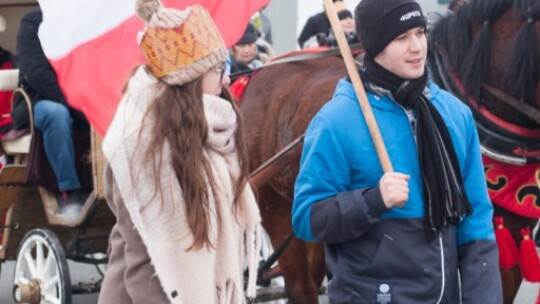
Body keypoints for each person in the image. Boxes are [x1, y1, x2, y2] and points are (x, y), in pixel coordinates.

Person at [292, 0, 502, 303]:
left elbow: (476, 222)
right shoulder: (336, 121)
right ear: (376, 45)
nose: (417, 46)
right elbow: (307, 218)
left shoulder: (455, 114)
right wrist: (372, 201)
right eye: (401, 38)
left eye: (420, 32)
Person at [98, 1, 262, 303]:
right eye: (216, 69)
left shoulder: (207, 130)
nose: (227, 79)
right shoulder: (141, 146)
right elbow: (144, 264)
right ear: (189, 79)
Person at [13, 7, 88, 210]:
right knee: (57, 114)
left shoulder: (81, 22)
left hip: (78, 99)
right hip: (38, 100)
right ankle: (69, 191)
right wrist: (74, 105)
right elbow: (36, 73)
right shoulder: (33, 22)